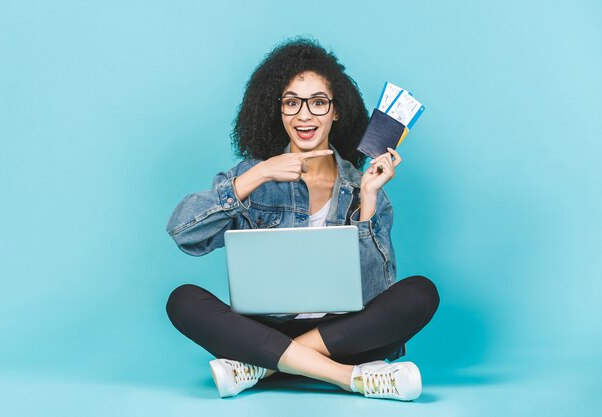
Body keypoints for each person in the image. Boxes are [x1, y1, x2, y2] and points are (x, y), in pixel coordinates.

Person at [165, 37, 439, 400]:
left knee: (421, 292)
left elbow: (376, 293)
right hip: (266, 326)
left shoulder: (362, 186)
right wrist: (257, 176)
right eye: (291, 102)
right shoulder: (252, 175)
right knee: (182, 299)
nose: (304, 115)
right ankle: (350, 377)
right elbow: (184, 234)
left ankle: (260, 365)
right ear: (276, 111)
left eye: (318, 102)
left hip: (338, 333)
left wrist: (368, 202)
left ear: (336, 111)